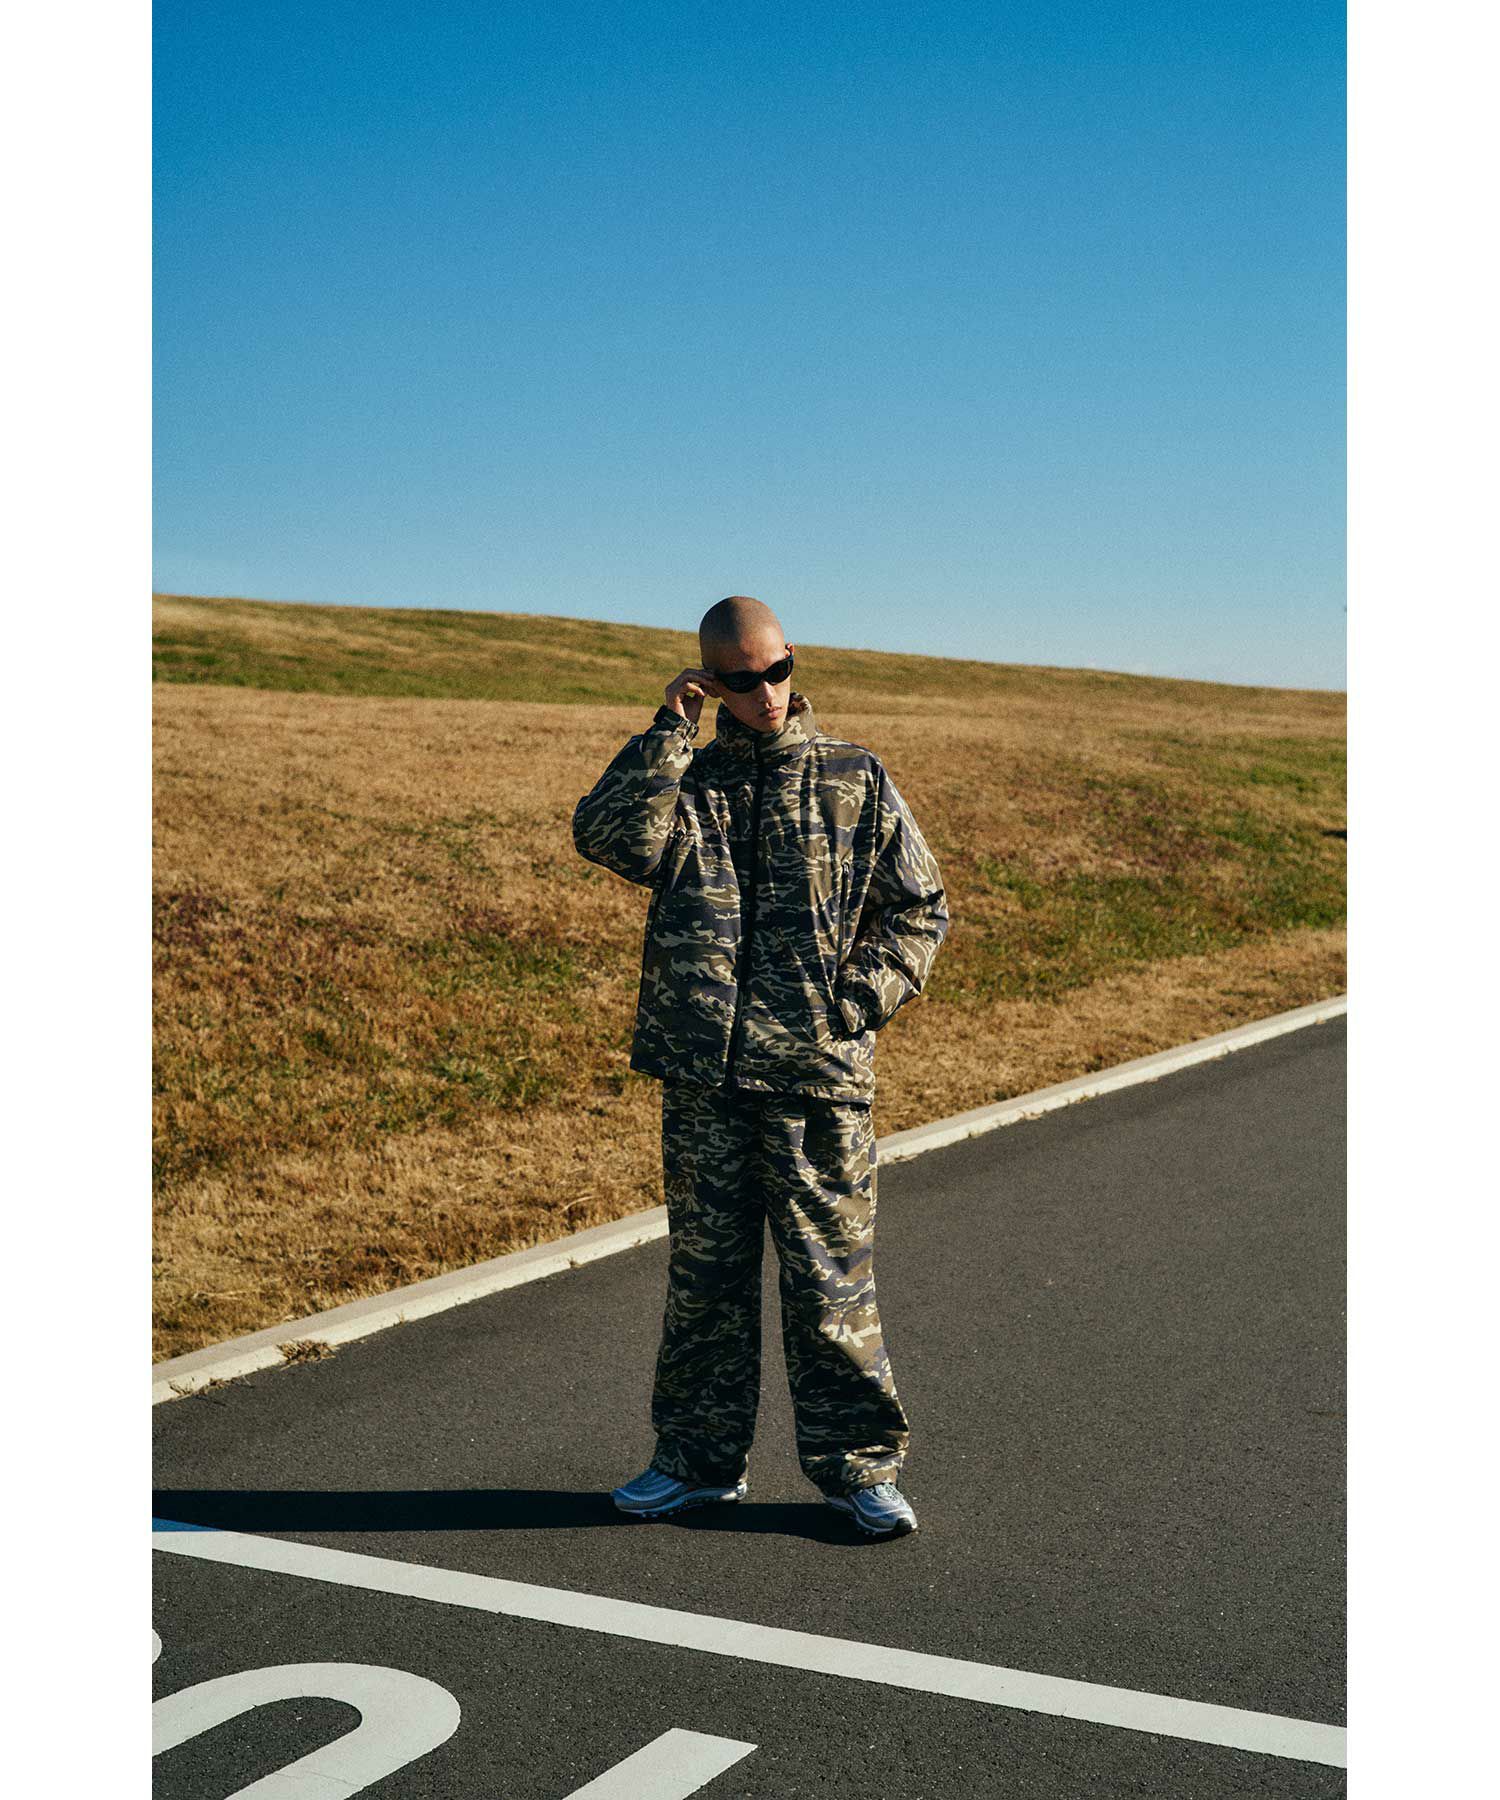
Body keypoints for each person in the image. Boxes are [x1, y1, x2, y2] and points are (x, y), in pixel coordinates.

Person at [571, 596, 948, 1538]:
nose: (766, 693)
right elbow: (608, 837)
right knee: (705, 1287)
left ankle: (859, 1471)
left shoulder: (854, 777)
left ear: (792, 661)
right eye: (740, 680)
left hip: (817, 1083)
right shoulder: (687, 784)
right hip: (705, 1082)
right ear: (710, 681)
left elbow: (920, 909)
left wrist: (854, 1003)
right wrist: (668, 732)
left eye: (777, 671)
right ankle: (696, 1465)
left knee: (830, 1285)